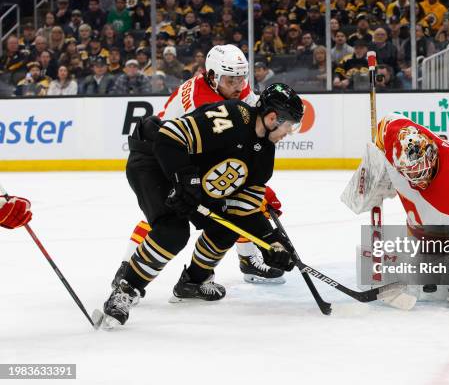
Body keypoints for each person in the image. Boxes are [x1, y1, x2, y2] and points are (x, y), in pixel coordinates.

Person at [101, 83, 304, 328]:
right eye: (289, 125)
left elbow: (243, 211)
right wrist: (184, 178)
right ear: (273, 117)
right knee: (172, 232)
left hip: (191, 178)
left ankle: (193, 282)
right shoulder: (233, 116)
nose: (289, 132)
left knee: (228, 225)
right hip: (153, 160)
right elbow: (170, 136)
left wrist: (271, 240)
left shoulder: (264, 156)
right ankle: (126, 290)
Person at [112, 45, 288, 294]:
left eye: (242, 78)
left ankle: (244, 258)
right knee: (169, 215)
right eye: (232, 80)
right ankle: (127, 268)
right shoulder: (201, 101)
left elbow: (254, 122)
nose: (239, 86)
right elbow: (211, 152)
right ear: (214, 76)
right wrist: (252, 186)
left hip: (182, 149)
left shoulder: (230, 86)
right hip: (164, 152)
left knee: (234, 208)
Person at [358, 113, 449, 307]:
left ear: (432, 154)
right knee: (423, 265)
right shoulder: (394, 133)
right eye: (412, 174)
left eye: (422, 172)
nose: (419, 179)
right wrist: (375, 171)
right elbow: (385, 127)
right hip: (443, 211)